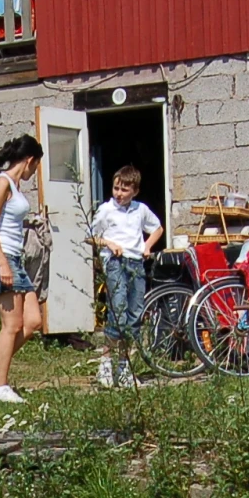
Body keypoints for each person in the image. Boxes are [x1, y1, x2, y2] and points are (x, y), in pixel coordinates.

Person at [0, 134, 42, 405]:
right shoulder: (3, 183)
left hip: (15, 258)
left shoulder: (15, 186)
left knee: (33, 321)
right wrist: (3, 263)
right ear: (29, 160)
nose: (35, 171)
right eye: (36, 166)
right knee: (11, 324)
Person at [90, 164, 164, 388]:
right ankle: (105, 363)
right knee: (118, 311)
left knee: (134, 315)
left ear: (135, 191)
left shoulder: (140, 210)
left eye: (124, 190)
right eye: (116, 189)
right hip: (116, 262)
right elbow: (91, 236)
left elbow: (157, 228)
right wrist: (109, 243)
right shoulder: (106, 210)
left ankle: (124, 367)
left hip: (136, 263)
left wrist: (147, 246)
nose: (119, 194)